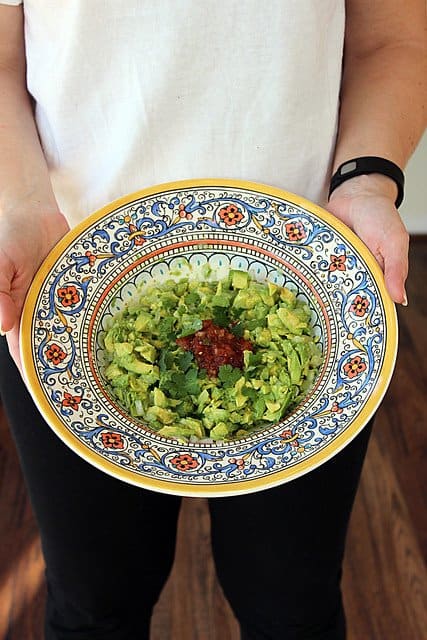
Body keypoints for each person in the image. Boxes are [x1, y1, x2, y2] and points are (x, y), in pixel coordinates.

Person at [0, 2, 425, 639]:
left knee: (291, 605)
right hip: (65, 290)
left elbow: (388, 41)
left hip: (311, 289)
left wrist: (365, 182)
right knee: (94, 605)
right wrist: (20, 200)